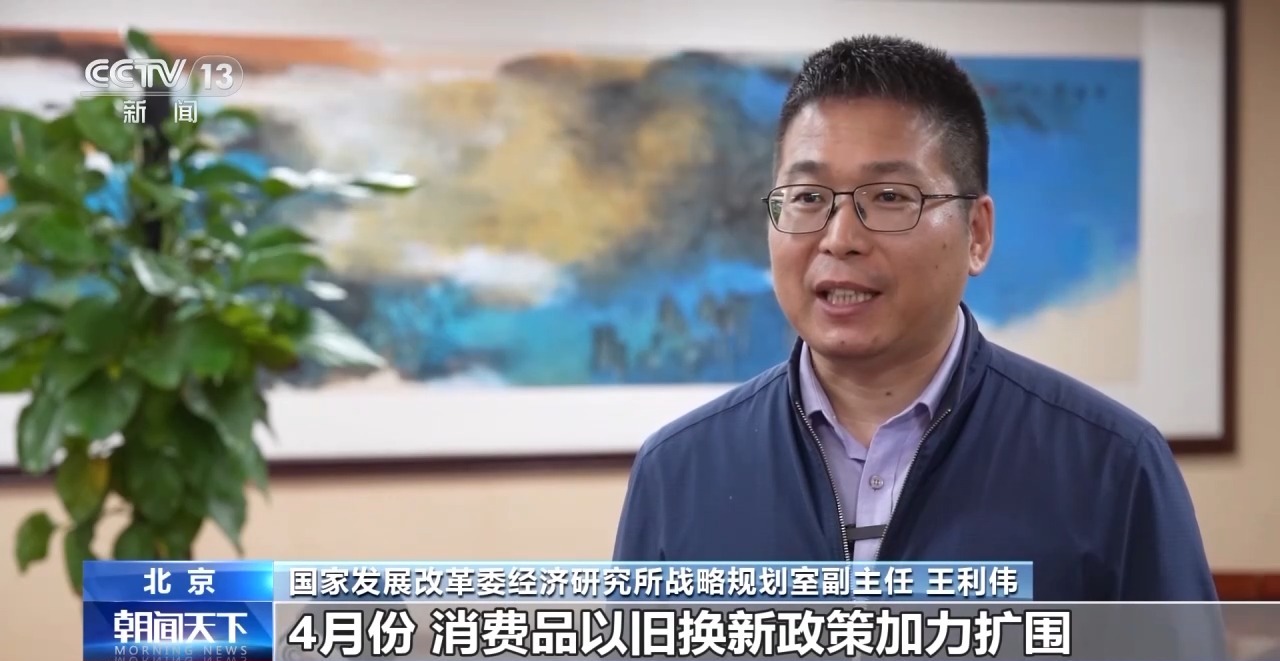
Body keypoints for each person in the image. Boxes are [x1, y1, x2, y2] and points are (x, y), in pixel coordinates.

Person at [611, 35, 1219, 604]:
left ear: (976, 234)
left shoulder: (1113, 467)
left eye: (890, 198)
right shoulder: (676, 473)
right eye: (808, 198)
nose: (840, 238)